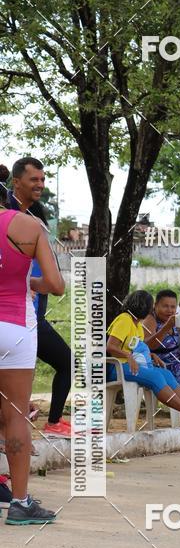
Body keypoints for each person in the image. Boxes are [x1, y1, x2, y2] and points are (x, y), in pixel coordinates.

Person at [0, 163, 65, 525]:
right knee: (15, 416)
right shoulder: (28, 226)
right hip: (14, 326)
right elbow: (56, 285)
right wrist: (31, 285)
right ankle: (21, 503)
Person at [8, 157, 73, 437]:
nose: (40, 185)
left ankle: (48, 423)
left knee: (64, 363)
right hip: (13, 315)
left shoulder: (35, 216)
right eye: (34, 179)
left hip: (33, 316)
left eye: (43, 180)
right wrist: (31, 282)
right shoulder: (7, 215)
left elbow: (55, 283)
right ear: (16, 181)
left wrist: (36, 282)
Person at [106, 291, 180, 425]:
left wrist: (151, 355)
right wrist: (128, 356)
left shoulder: (137, 325)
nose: (149, 309)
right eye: (149, 305)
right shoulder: (125, 319)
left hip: (130, 366)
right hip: (115, 368)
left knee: (166, 374)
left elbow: (137, 348)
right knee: (156, 377)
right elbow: (110, 347)